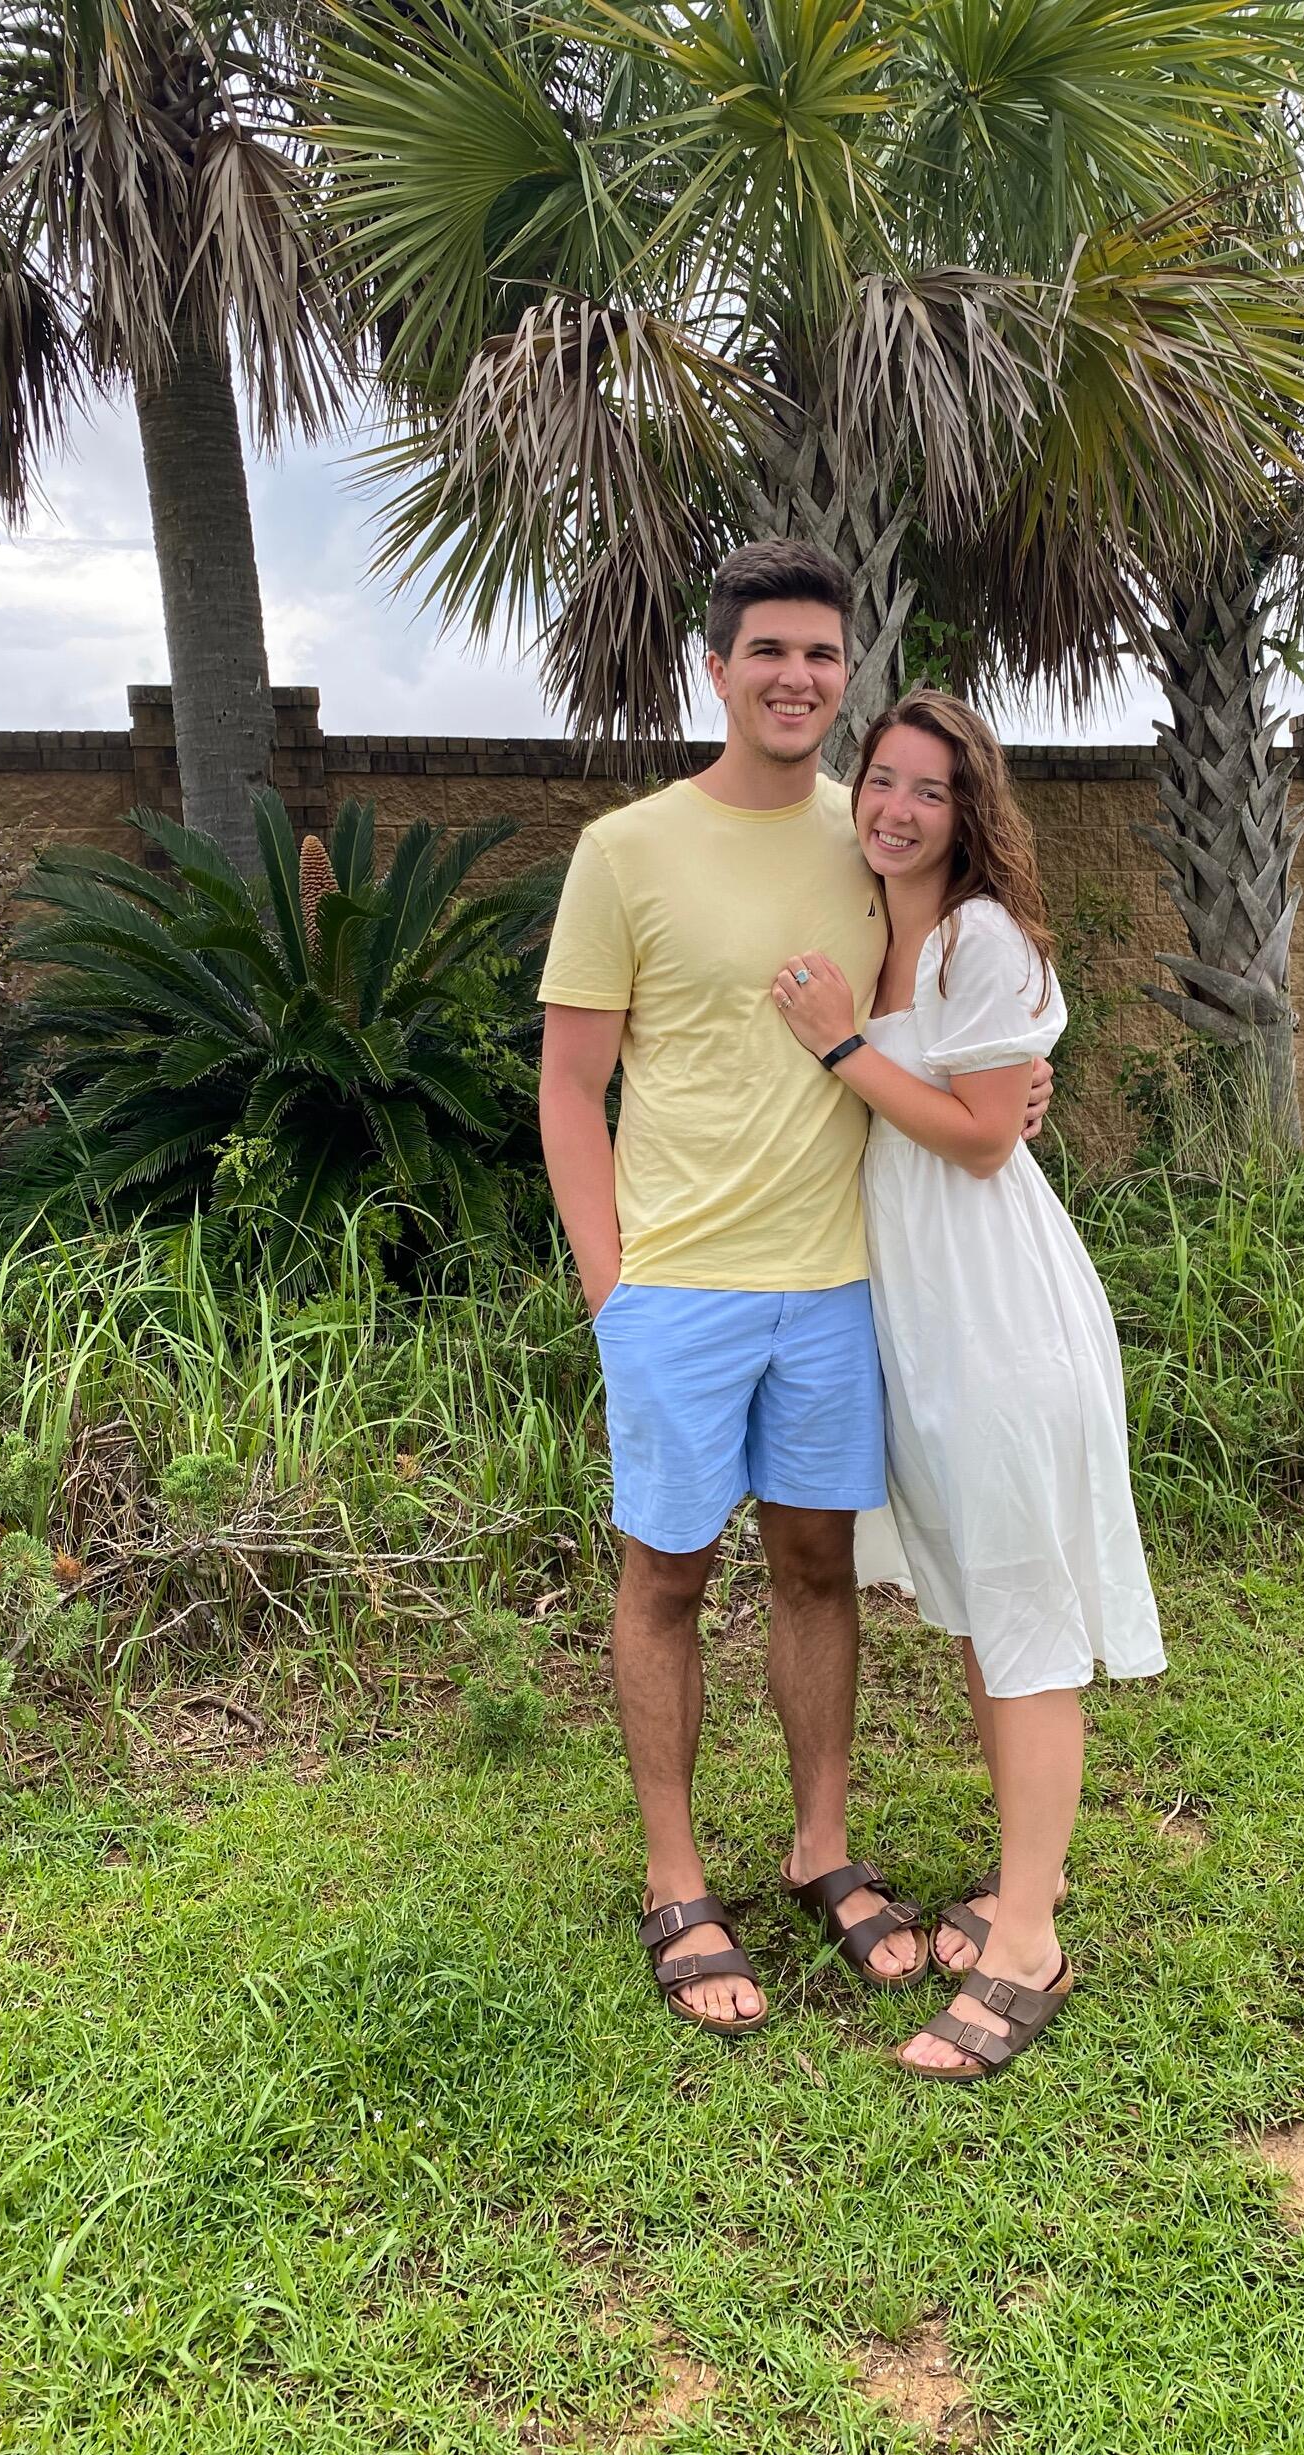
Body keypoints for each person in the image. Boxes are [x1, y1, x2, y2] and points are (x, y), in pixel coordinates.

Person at [537, 545, 1051, 2036]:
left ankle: (822, 1848)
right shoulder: (626, 851)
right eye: (768, 651)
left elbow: (968, 999)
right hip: (679, 1287)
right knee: (670, 1576)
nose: (797, 678)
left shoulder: (877, 833)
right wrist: (607, 1285)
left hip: (839, 1284)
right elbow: (571, 1086)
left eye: (823, 655)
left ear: (845, 671)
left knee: (822, 1571)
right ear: (716, 665)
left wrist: (1022, 1086)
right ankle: (675, 1876)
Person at [771, 689, 1166, 2081]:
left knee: (1025, 1622)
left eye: (927, 789)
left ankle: (1028, 1948)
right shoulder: (875, 934)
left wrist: (842, 1047)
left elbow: (989, 1138)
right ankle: (1021, 1883)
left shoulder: (979, 938)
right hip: (922, 1325)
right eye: (879, 779)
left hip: (998, 1317)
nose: (893, 807)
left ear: (969, 807)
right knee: (984, 1622)